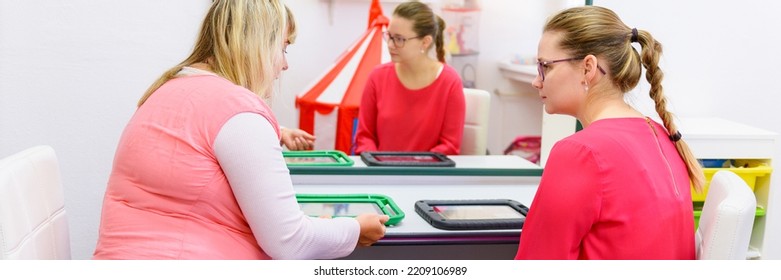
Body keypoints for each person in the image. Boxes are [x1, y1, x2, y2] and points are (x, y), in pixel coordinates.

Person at [93, 0, 388, 260]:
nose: (284, 65)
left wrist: (275, 130)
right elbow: (290, 241)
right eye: (283, 48)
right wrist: (354, 229)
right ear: (258, 44)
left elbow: (199, 143)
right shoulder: (240, 112)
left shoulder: (164, 91)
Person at [515, 6, 704, 260]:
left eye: (545, 67)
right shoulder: (659, 134)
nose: (536, 81)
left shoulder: (580, 153)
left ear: (587, 68)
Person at [354, 0, 466, 155]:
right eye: (389, 36)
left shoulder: (450, 82)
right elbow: (364, 137)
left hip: (427, 174)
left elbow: (450, 146)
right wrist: (378, 166)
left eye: (399, 39)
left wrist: (411, 167)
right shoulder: (377, 77)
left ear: (425, 42)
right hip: (380, 174)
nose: (391, 45)